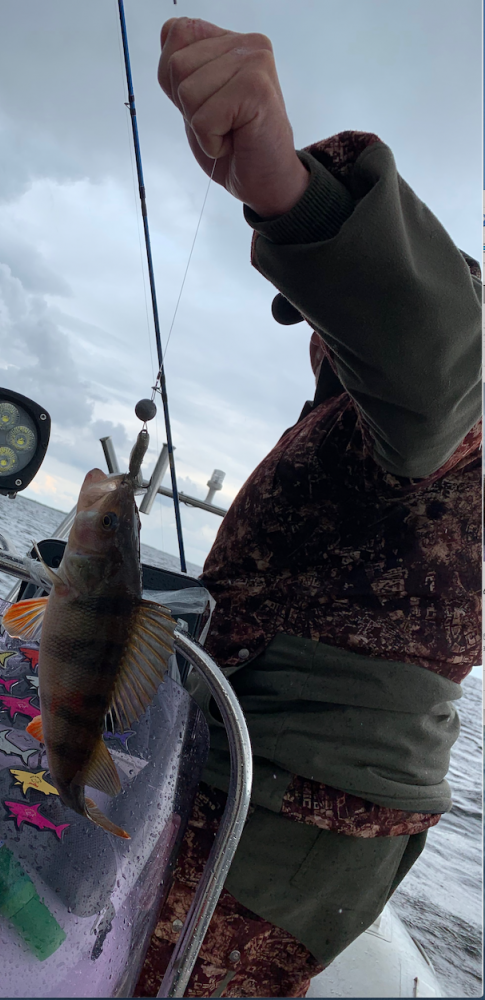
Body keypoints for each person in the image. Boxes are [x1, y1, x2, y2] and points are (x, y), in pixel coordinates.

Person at [135, 16, 481, 999]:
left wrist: (288, 186)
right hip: (288, 773)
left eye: (334, 313)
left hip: (288, 802)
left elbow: (434, 350)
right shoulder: (366, 418)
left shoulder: (454, 382)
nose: (321, 332)